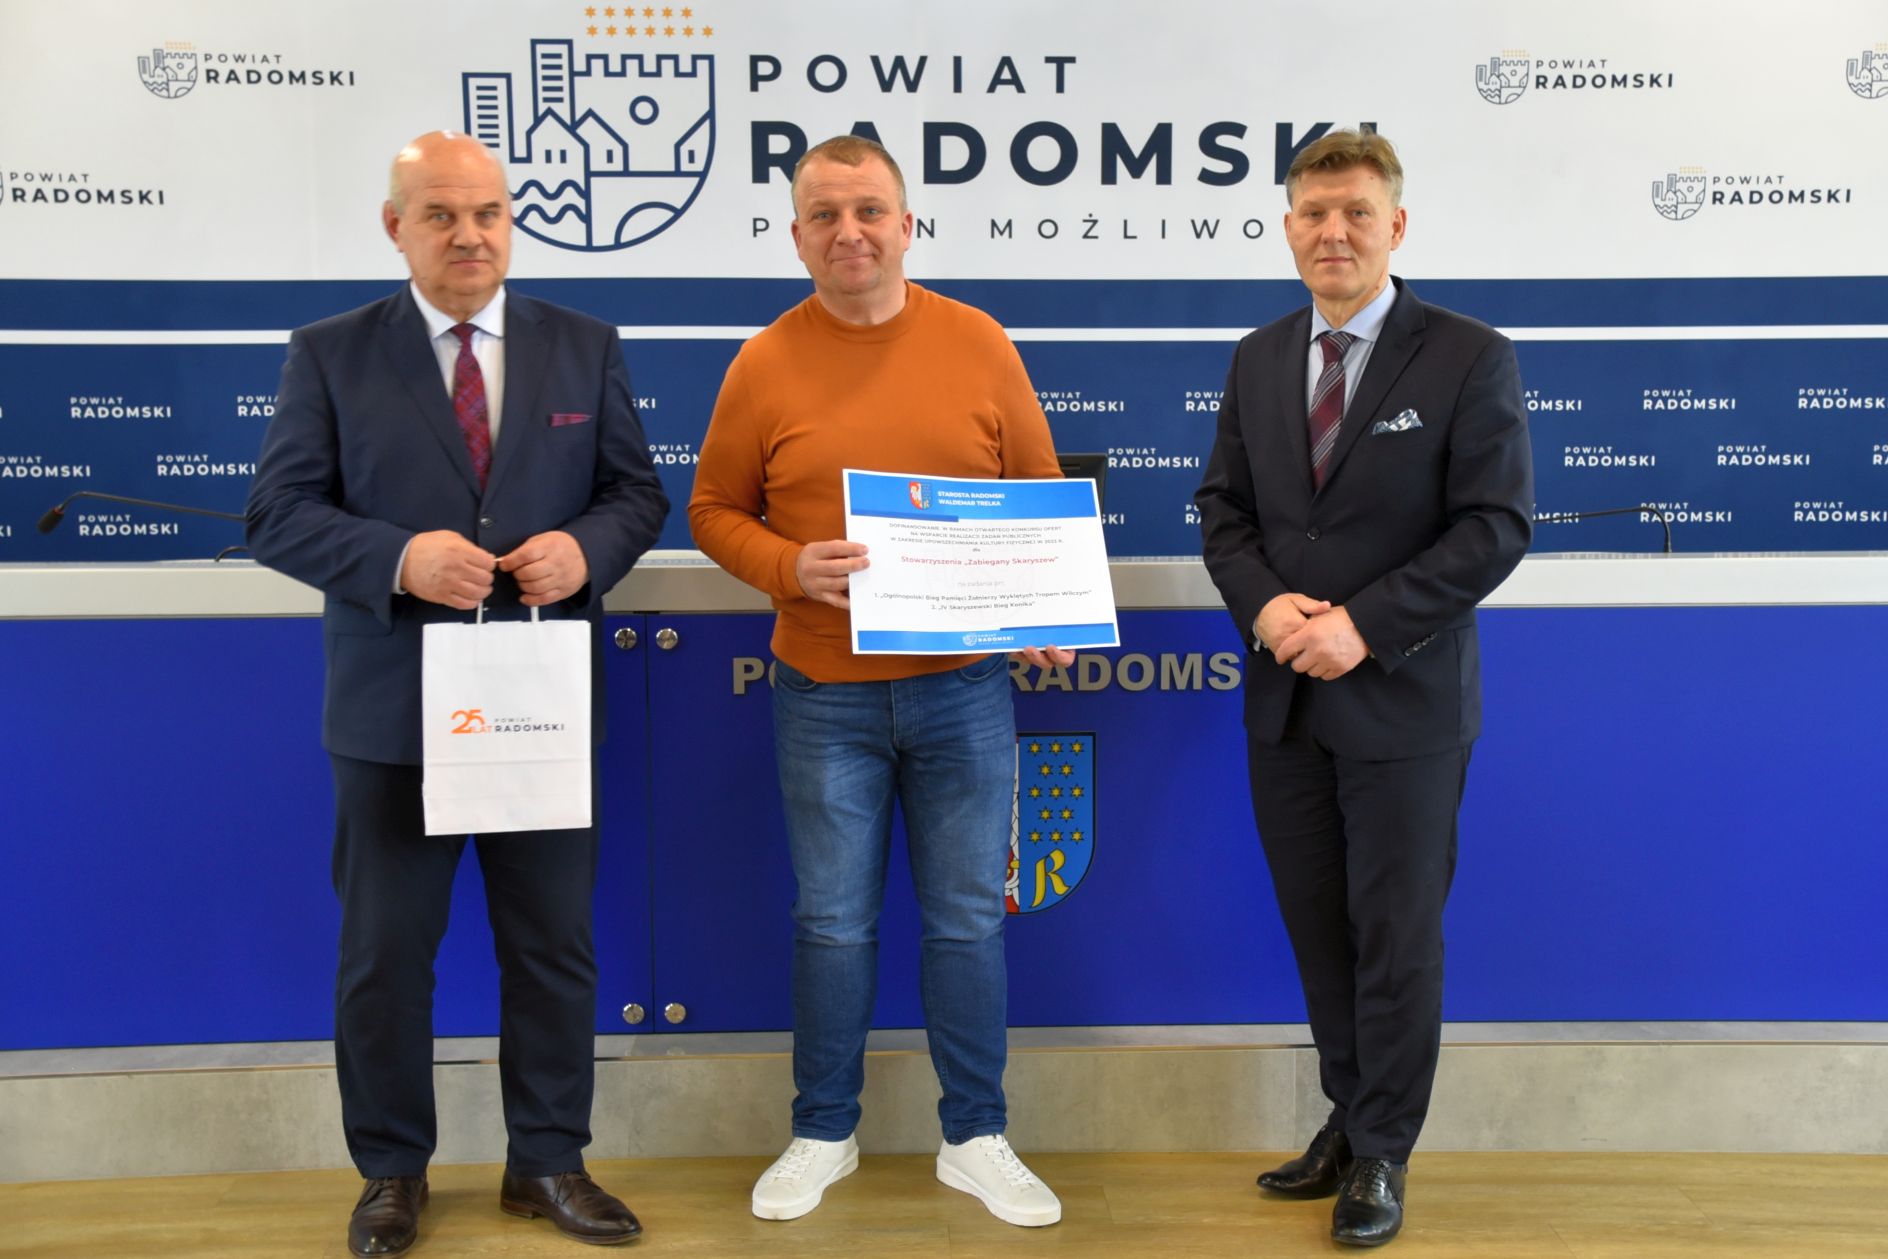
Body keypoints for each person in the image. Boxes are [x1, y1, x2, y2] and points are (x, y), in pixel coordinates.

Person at [245, 130, 668, 1257]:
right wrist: (398, 557)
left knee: (552, 946)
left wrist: (585, 551)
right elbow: (276, 514)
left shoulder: (583, 344)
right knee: (385, 956)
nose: (469, 234)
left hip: (538, 706)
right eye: (440, 214)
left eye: (488, 212)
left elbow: (635, 494)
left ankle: (548, 1161)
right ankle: (391, 1172)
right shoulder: (330, 352)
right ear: (397, 227)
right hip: (393, 715)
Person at [688, 135, 1071, 1229]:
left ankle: (975, 1135)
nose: (847, 232)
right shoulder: (763, 361)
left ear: (907, 225)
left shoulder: (978, 342)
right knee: (831, 924)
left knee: (968, 921)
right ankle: (824, 1130)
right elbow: (712, 509)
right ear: (795, 234)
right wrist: (787, 566)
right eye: (824, 214)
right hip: (823, 692)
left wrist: (1042, 610)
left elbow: (1036, 490)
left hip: (964, 690)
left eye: (868, 211)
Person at [1195, 129, 1534, 1247]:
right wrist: (1264, 607)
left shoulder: (1468, 355)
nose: (1331, 232)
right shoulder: (1257, 356)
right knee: (1319, 930)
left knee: (1395, 935)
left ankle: (1385, 1147)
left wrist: (1362, 627)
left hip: (1403, 701)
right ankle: (1348, 1116)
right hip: (1285, 699)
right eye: (1312, 212)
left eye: (1353, 212)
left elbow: (1493, 526)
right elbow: (1223, 511)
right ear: (1287, 226)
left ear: (1396, 225)